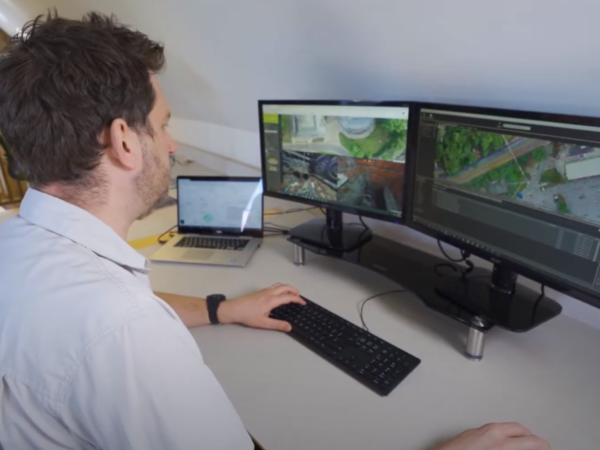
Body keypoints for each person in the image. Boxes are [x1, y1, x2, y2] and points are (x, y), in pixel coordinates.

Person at [0, 12, 549, 450]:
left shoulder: (17, 242)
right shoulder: (126, 334)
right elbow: (120, 323)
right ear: (124, 141)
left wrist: (221, 309)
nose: (171, 145)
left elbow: (125, 306)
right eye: (164, 125)